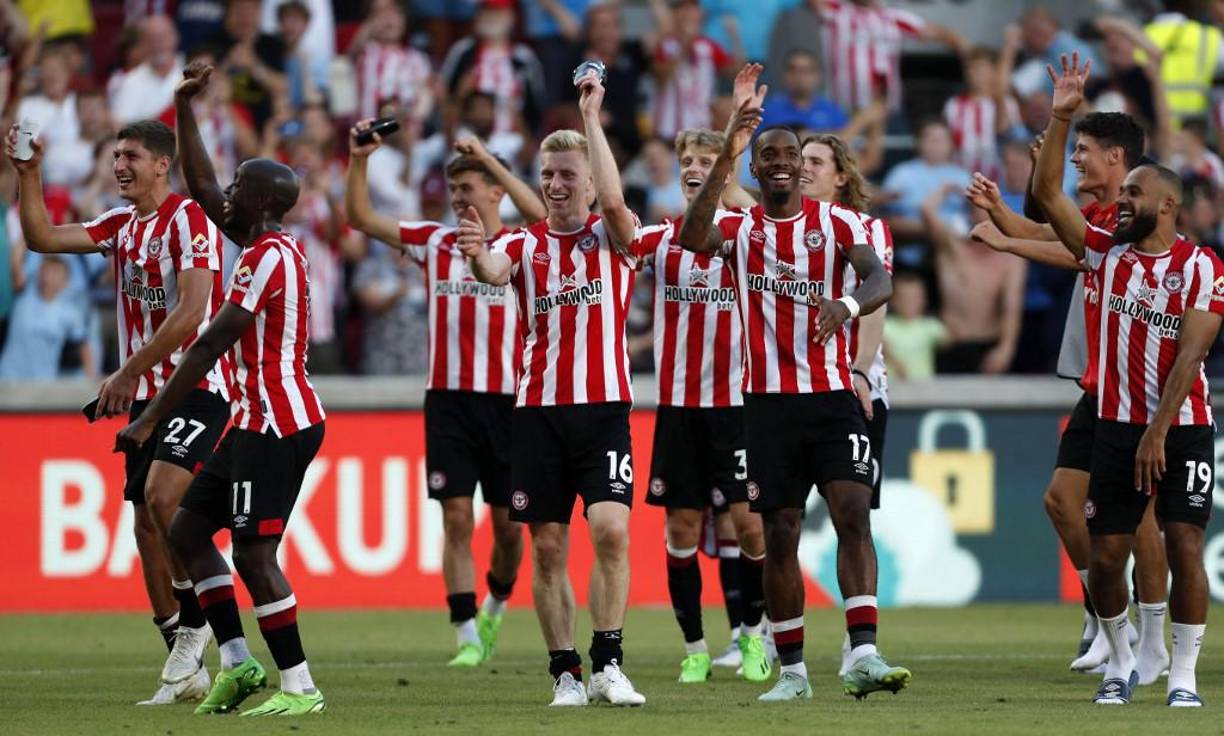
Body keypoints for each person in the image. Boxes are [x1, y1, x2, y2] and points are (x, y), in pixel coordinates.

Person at [677, 85, 898, 700]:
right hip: (767, 404)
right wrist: (724, 151)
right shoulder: (737, 227)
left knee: (853, 510)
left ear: (801, 166)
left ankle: (865, 652)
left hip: (831, 396)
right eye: (767, 155)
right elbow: (693, 238)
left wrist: (846, 304)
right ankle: (794, 673)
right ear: (754, 166)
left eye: (789, 155)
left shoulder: (839, 222)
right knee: (779, 530)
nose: (779, 162)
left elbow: (880, 277)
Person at [120, 61, 326, 717]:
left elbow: (209, 343)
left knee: (254, 552)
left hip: (277, 423)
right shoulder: (263, 239)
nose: (226, 193)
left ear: (263, 202)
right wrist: (184, 108)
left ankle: (299, 688)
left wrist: (150, 416)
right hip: (252, 419)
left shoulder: (265, 258)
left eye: (242, 187)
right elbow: (205, 186)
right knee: (184, 531)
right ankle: (236, 663)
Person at [7, 117, 230, 705]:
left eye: (131, 155)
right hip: (144, 396)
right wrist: (27, 174)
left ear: (162, 163)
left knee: (163, 501)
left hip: (193, 389)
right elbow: (42, 239)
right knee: (144, 528)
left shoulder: (190, 220)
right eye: (114, 157)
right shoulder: (120, 225)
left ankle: (196, 624)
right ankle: (185, 661)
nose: (120, 166)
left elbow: (191, 310)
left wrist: (128, 371)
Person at [455, 70, 647, 707]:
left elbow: (618, 210)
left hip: (603, 410)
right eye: (549, 175)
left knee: (613, 532)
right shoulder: (524, 243)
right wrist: (476, 251)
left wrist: (592, 120)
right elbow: (491, 269)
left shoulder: (614, 238)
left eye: (570, 175)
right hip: (536, 412)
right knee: (545, 545)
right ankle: (565, 671)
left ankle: (608, 663)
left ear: (591, 182)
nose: (557, 185)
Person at [1033, 53, 1216, 708]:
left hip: (1182, 428)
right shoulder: (1103, 256)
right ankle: (1118, 660)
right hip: (1114, 426)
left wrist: (1157, 431)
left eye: (1135, 194)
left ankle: (1183, 677)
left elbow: (1190, 356)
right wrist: (1060, 119)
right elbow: (1047, 198)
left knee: (1184, 545)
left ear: (1168, 205)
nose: (1123, 202)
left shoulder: (1201, 268)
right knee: (1109, 560)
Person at [966, 110, 1169, 680]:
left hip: (1142, 386)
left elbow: (1078, 252)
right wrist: (1004, 221)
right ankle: (1110, 618)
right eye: (1073, 147)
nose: (1077, 156)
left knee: (1145, 521)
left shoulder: (1138, 210)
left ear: (1116, 156)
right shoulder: (1104, 212)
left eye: (1084, 148)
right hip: (1100, 384)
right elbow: (1055, 230)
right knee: (1062, 500)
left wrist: (1007, 240)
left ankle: (1153, 645)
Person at [346, 121, 545, 667]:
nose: (458, 198)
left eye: (469, 188)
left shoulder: (523, 243)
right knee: (456, 517)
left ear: (497, 191)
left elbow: (544, 215)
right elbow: (360, 218)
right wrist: (360, 160)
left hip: (509, 403)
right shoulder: (434, 242)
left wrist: (489, 154)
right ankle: (465, 635)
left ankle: (495, 606)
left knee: (509, 531)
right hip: (449, 400)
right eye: (453, 189)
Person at [631, 68, 768, 687]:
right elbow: (607, 229)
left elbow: (759, 214)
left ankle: (754, 636)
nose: (692, 165)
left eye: (705, 157)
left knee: (748, 522)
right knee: (682, 525)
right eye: (686, 156)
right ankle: (694, 645)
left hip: (737, 402)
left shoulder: (748, 234)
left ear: (726, 167)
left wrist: (733, 148)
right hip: (679, 407)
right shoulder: (660, 241)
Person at [798, 132, 894, 676]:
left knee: (852, 513)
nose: (804, 169)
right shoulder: (774, 224)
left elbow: (875, 301)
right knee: (776, 516)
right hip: (781, 391)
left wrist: (859, 369)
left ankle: (857, 643)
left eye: (815, 162)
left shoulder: (865, 229)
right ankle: (770, 633)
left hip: (853, 387)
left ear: (841, 176)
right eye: (800, 160)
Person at [0, 254, 93, 380]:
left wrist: (92, 378)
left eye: (54, 272)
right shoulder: (23, 295)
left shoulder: (69, 313)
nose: (47, 276)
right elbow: (16, 261)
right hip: (8, 378)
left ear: (65, 280)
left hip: (42, 384)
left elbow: (83, 345)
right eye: (44, 270)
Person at [943, 46, 1021, 181]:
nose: (973, 73)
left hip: (999, 177)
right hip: (961, 177)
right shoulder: (953, 105)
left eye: (980, 68)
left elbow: (1005, 133)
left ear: (994, 71)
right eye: (969, 68)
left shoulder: (1008, 104)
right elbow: (947, 143)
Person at [882, 273, 945, 380]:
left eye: (914, 298)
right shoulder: (885, 325)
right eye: (904, 298)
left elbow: (950, 342)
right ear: (893, 300)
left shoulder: (930, 325)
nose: (909, 302)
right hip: (892, 388)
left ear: (924, 300)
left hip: (924, 388)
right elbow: (874, 342)